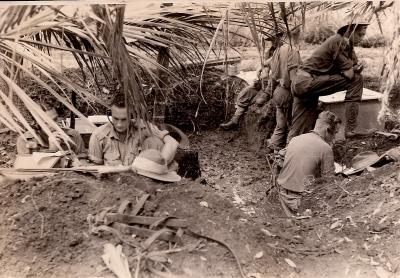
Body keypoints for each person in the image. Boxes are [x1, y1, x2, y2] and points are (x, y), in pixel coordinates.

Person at [287, 22, 368, 142]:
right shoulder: (339, 41)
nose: (362, 38)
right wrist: (354, 69)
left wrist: (359, 66)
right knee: (357, 80)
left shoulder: (347, 45)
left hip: (302, 83)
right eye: (360, 35)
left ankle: (286, 155)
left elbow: (353, 67)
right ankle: (350, 130)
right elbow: (350, 74)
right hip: (306, 82)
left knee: (301, 128)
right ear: (349, 32)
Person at [277, 111, 341, 216]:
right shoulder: (325, 148)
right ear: (328, 130)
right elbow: (329, 182)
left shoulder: (295, 139)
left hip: (281, 194)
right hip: (299, 201)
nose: (334, 137)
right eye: (335, 133)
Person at [88, 94, 179, 166]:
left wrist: (161, 164)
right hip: (111, 185)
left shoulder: (143, 127)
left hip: (139, 182)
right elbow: (94, 169)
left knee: (155, 141)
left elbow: (172, 143)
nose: (119, 124)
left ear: (132, 116)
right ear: (110, 114)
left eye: (124, 119)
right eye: (115, 119)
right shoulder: (98, 135)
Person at [220, 32, 284, 131]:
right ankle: (235, 120)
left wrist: (263, 67)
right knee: (245, 92)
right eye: (271, 39)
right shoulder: (269, 52)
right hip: (265, 82)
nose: (273, 41)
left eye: (275, 38)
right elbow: (265, 68)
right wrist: (260, 75)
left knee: (259, 100)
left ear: (280, 37)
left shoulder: (285, 51)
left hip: (277, 83)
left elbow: (276, 65)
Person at [267, 27, 302, 152]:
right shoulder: (293, 50)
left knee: (280, 125)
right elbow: (294, 79)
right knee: (292, 126)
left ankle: (273, 147)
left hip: (278, 92)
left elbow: (273, 74)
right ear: (296, 35)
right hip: (287, 93)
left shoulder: (277, 50)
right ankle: (287, 153)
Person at [16, 106, 85, 156]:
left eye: (55, 119)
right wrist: (52, 150)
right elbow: (29, 171)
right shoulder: (25, 140)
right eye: (47, 122)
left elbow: (83, 164)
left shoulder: (73, 135)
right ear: (36, 123)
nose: (53, 125)